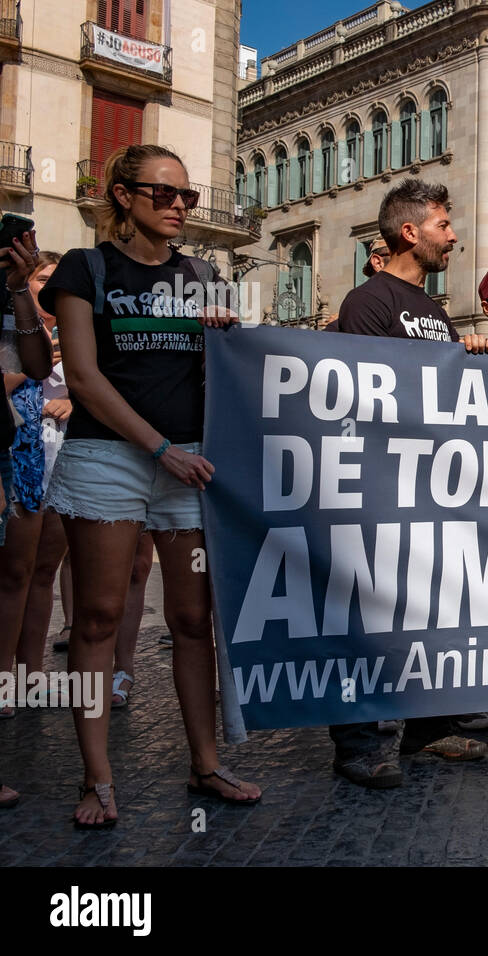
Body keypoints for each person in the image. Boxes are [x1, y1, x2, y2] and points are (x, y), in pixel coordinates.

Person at [39, 144, 260, 827]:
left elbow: (229, 371)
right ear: (124, 195)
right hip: (111, 460)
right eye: (164, 193)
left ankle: (206, 763)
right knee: (99, 618)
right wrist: (158, 447)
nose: (179, 206)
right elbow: (83, 379)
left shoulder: (203, 274)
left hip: (188, 465)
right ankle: (97, 778)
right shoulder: (87, 268)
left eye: (187, 197)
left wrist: (224, 334)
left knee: (195, 621)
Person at [331, 178, 488, 788]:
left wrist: (469, 353)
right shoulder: (366, 303)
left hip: (431, 490)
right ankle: (357, 741)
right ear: (410, 232)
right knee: (369, 617)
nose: (453, 236)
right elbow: (370, 397)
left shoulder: (434, 312)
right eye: (444, 226)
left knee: (428, 611)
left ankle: (423, 728)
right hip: (380, 487)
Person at [0, 224, 53, 808]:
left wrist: (17, 291)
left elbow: (35, 366)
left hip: (18, 449)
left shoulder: (12, 300)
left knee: (21, 572)